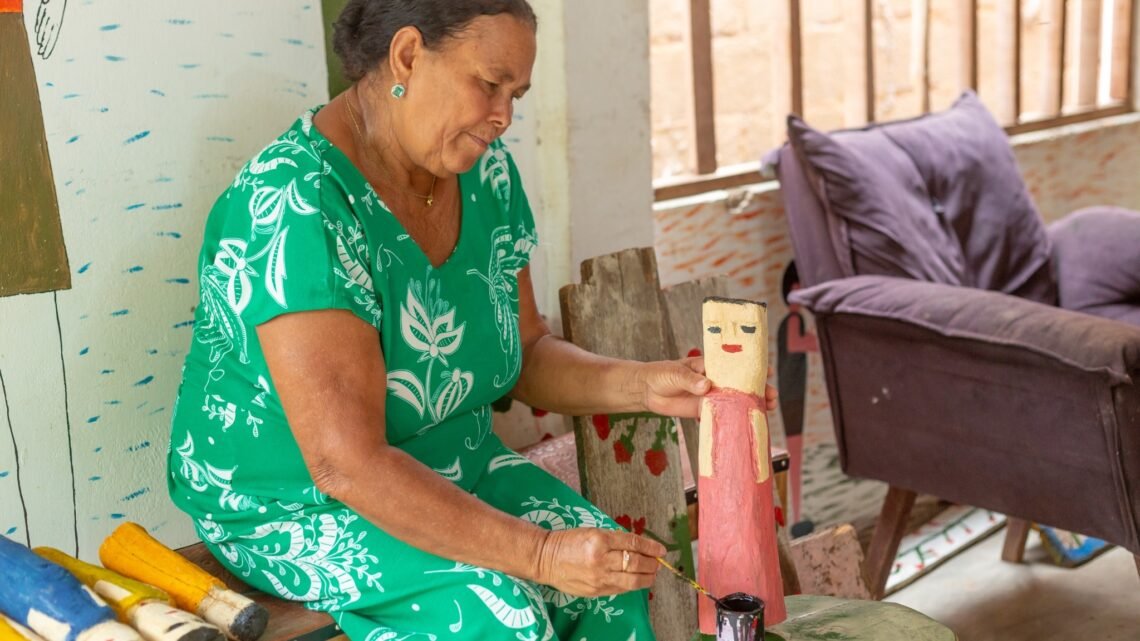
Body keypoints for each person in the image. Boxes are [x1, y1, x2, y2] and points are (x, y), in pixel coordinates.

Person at [167, 2, 775, 639]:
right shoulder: (298, 203)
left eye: (517, 94)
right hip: (296, 501)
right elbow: (345, 465)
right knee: (501, 613)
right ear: (407, 55)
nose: (504, 116)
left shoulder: (487, 174)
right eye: (489, 84)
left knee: (611, 590)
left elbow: (524, 350)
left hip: (451, 463)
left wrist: (645, 385)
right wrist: (542, 555)